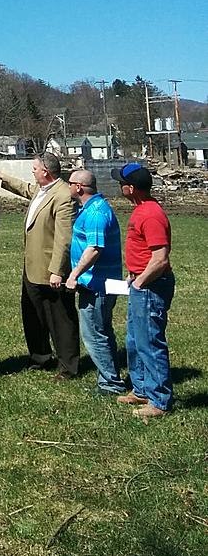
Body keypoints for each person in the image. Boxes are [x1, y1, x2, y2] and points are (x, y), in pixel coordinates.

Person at [0, 152, 79, 378]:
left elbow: (64, 237)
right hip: (31, 268)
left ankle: (68, 366)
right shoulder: (42, 190)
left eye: (35, 168)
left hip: (50, 271)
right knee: (32, 316)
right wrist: (2, 177)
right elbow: (28, 190)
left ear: (46, 172)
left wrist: (57, 270)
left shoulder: (62, 195)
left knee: (60, 320)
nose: (33, 171)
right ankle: (40, 358)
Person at [114, 162, 175, 421]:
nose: (119, 187)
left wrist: (140, 282)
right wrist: (134, 273)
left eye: (121, 183)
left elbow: (160, 258)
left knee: (150, 342)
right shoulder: (141, 209)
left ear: (131, 188)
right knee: (134, 341)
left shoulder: (150, 214)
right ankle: (141, 389)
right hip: (140, 281)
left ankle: (159, 400)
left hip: (151, 286)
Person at [64, 169, 126, 395]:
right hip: (96, 283)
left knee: (94, 335)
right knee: (102, 331)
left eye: (70, 183)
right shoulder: (89, 209)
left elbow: (94, 249)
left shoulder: (97, 213)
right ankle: (108, 378)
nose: (68, 187)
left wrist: (74, 275)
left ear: (79, 187)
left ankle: (110, 384)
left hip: (97, 285)